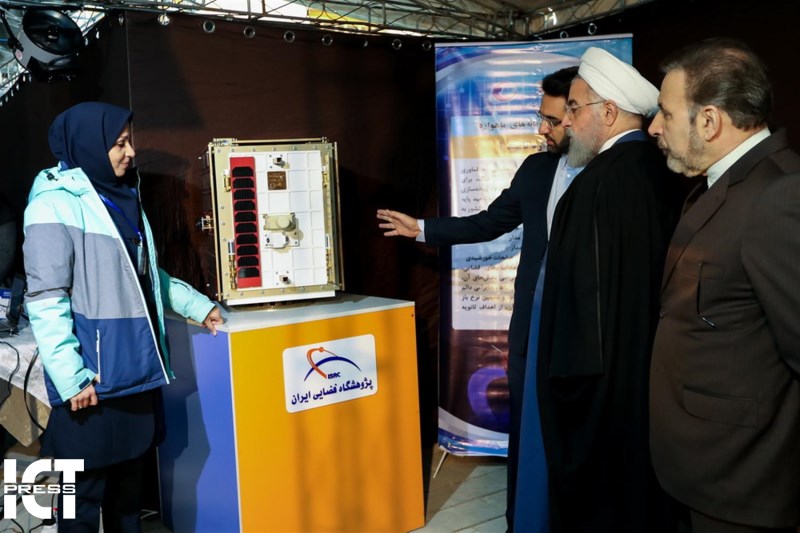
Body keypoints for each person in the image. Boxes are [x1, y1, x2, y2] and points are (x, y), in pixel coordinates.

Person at [377, 66, 580, 530]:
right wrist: (421, 228)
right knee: (528, 429)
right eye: (541, 118)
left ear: (579, 115)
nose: (542, 130)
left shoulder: (610, 176)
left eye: (552, 120)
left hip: (582, 330)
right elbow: (489, 222)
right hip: (531, 326)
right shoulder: (536, 169)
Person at [23, 102, 223, 532]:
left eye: (130, 142)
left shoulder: (123, 196)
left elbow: (146, 276)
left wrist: (197, 305)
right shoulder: (51, 205)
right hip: (91, 384)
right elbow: (45, 298)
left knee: (127, 505)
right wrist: (71, 377)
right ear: (89, 145)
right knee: (78, 508)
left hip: (135, 375)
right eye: (119, 143)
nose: (131, 152)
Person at [648, 38, 800, 533]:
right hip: (703, 467)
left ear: (709, 121)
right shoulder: (719, 185)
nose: (654, 128)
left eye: (666, 113)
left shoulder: (779, 195)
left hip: (742, 481)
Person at [529, 47, 681, 532]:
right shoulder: (665, 172)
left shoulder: (595, 185)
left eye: (574, 108)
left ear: (609, 112)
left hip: (600, 396)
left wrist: (566, 396)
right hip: (653, 380)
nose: (567, 122)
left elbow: (581, 309)